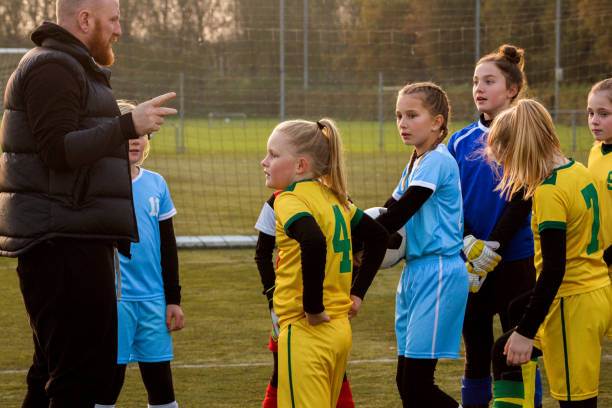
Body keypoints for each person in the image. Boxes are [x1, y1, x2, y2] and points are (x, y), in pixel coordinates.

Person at [0, 0, 177, 405]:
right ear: (85, 19)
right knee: (79, 378)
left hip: (70, 236)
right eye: (113, 20)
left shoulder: (70, 65)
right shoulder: (53, 66)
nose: (119, 30)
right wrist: (128, 125)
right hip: (62, 241)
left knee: (57, 372)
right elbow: (57, 151)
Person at [487, 99, 612, 408]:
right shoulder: (577, 169)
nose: (507, 169)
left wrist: (527, 331)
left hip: (571, 305)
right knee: (504, 352)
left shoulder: (549, 191)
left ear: (521, 149)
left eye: (506, 161)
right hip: (591, 293)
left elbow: (554, 269)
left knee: (577, 403)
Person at [260, 118, 388, 407]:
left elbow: (313, 241)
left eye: (274, 154)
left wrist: (313, 308)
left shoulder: (288, 199)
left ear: (301, 165)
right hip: (339, 330)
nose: (264, 161)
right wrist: (357, 294)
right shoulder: (335, 198)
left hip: (306, 329)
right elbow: (379, 236)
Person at [447, 44, 541, 408]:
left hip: (515, 260)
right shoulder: (459, 140)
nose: (479, 88)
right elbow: (451, 201)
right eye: (475, 81)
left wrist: (493, 247)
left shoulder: (524, 134)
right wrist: (468, 245)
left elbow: (524, 196)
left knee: (518, 351)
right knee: (477, 351)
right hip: (469, 261)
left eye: (489, 81)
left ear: (512, 90)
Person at [373, 82, 468, 408]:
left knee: (416, 383)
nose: (402, 122)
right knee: (406, 382)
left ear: (438, 122)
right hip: (415, 273)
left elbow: (402, 211)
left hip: (439, 271)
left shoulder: (438, 161)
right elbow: (389, 206)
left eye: (412, 115)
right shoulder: (416, 161)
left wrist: (354, 236)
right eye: (399, 115)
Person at [96, 101, 184, 408]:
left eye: (141, 133)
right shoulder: (98, 185)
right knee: (107, 386)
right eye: (127, 133)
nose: (134, 139)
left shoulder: (156, 184)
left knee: (161, 387)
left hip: (153, 302)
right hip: (114, 304)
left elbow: (168, 248)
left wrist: (172, 299)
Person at [254, 192, 355, 408]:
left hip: (329, 305)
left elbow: (354, 249)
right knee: (281, 369)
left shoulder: (339, 198)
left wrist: (352, 290)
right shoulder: (277, 201)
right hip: (290, 307)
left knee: (336, 371)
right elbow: (262, 254)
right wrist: (273, 300)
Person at [587, 78, 612, 277]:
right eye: (591, 113)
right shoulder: (595, 151)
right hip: (597, 258)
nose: (594, 120)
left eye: (604, 114)